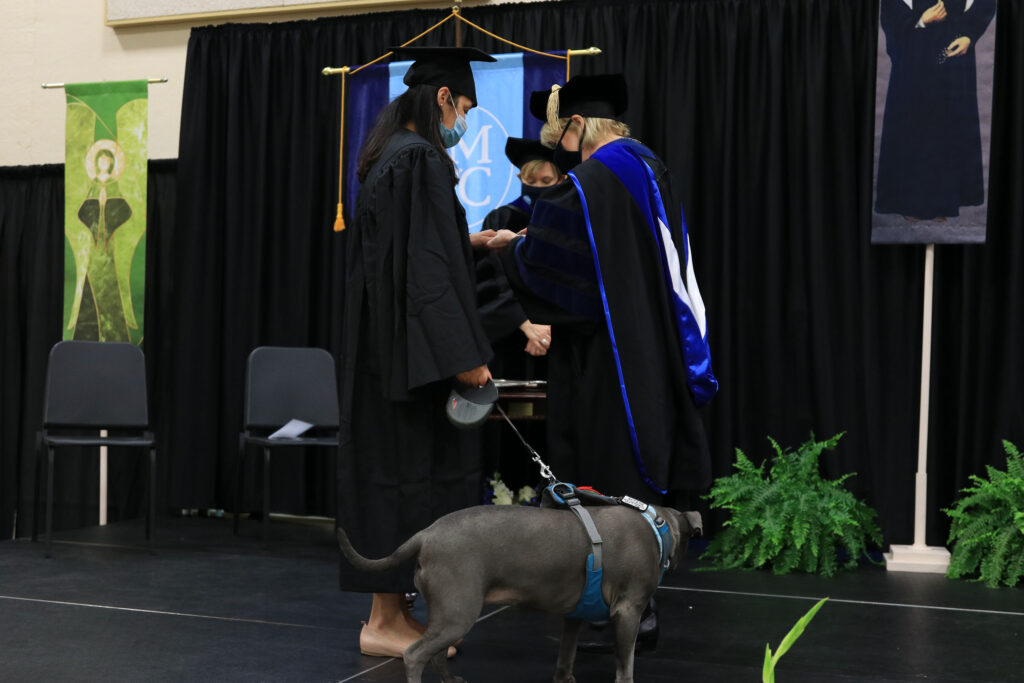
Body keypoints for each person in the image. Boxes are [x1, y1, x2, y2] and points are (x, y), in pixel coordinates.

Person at [487, 74, 717, 649]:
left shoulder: (591, 182)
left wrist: (510, 247)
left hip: (605, 362)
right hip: (652, 348)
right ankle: (643, 604)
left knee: (606, 476)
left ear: (578, 127)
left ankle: (625, 612)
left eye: (560, 129)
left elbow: (553, 268)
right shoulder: (648, 167)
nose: (556, 142)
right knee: (639, 482)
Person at [337, 45, 496, 659]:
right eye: (464, 108)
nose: (464, 122)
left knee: (393, 479)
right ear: (441, 100)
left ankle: (393, 613)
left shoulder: (389, 158)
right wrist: (465, 357)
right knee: (402, 480)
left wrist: (471, 242)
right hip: (405, 365)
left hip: (385, 357)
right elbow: (426, 275)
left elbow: (414, 256)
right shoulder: (420, 161)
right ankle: (382, 621)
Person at [875, 0, 997, 220]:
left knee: (946, 133)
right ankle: (911, 205)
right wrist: (921, 20)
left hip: (951, 60)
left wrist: (969, 33)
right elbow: (891, 10)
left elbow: (985, 3)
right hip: (913, 62)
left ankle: (943, 204)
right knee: (914, 133)